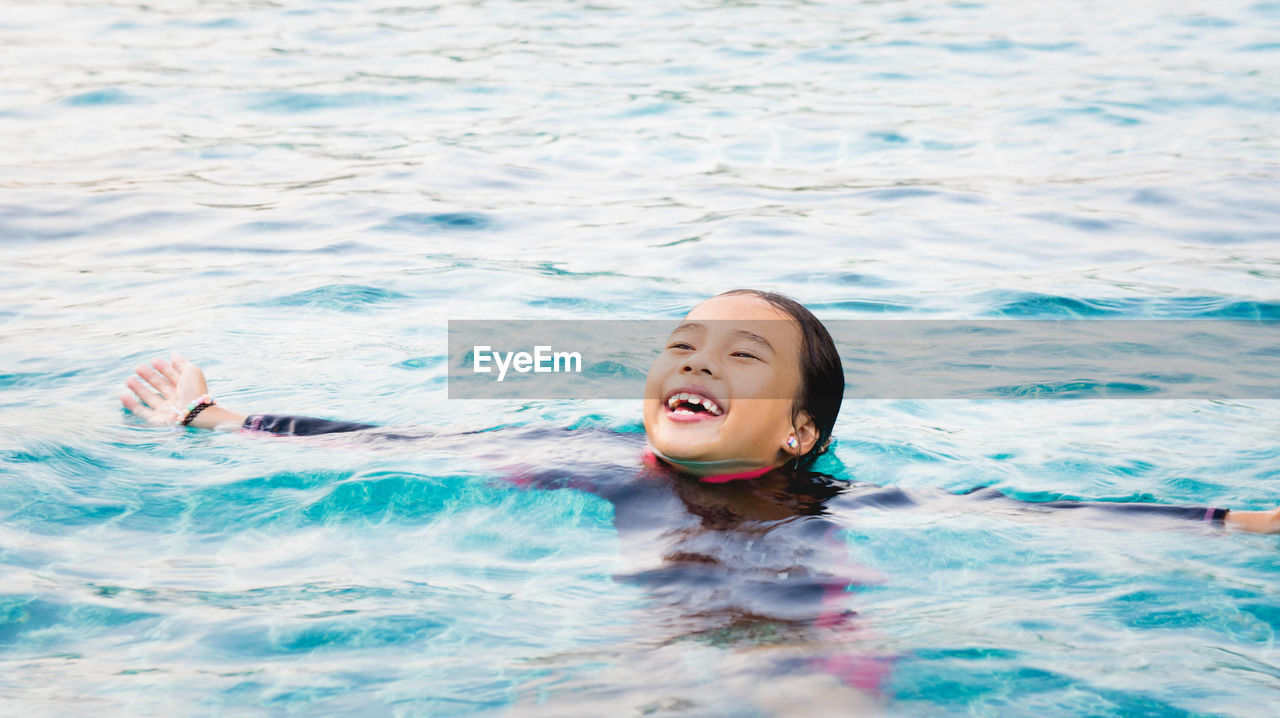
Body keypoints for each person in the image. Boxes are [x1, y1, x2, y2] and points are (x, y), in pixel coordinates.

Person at [119, 288, 1280, 535]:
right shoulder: (581, 459)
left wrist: (1230, 522)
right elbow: (402, 439)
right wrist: (221, 418)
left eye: (741, 356)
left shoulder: (834, 504)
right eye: (680, 348)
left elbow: (1035, 511)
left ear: (796, 435)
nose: (697, 362)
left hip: (803, 639)